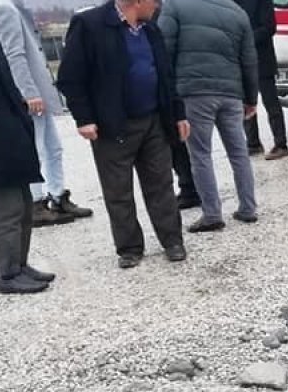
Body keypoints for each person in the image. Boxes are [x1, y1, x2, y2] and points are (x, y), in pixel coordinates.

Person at [57, 0, 189, 269]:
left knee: (161, 184)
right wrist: (84, 118)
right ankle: (129, 248)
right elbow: (71, 77)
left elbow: (166, 75)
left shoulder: (150, 29)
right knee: (118, 190)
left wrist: (178, 113)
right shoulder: (90, 25)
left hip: (154, 120)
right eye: (155, 0)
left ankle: (172, 240)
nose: (159, 5)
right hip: (113, 125)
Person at [159, 0, 260, 232]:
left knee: (200, 154)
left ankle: (212, 214)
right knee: (239, 153)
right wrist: (251, 98)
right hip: (232, 93)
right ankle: (248, 207)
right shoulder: (237, 11)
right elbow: (249, 59)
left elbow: (163, 51)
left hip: (194, 92)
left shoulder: (175, 6)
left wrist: (168, 95)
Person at [0, 0, 93, 226]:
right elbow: (13, 53)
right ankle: (37, 202)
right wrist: (28, 92)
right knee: (36, 147)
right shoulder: (5, 8)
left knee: (52, 147)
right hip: (30, 93)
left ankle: (57, 195)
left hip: (38, 90)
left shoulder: (15, 7)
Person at [0, 0, 54, 294]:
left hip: (10, 124)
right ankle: (8, 274)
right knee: (5, 207)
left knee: (23, 203)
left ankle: (20, 265)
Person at [233, 0, 288, 159]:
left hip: (262, 58)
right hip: (241, 59)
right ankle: (253, 143)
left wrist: (247, 39)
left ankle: (281, 144)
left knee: (270, 102)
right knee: (244, 102)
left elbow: (270, 27)